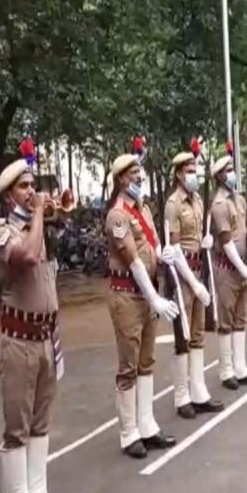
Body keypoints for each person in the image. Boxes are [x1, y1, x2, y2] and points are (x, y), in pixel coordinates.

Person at [0, 156, 70, 493]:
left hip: (46, 338)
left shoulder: (40, 226)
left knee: (41, 421)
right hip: (20, 341)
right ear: (9, 196)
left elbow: (54, 237)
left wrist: (56, 211)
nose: (31, 192)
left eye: (32, 185)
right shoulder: (3, 233)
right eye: (23, 187)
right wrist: (40, 212)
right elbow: (26, 256)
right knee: (17, 426)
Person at [105, 153, 178, 460]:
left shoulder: (143, 208)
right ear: (121, 178)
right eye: (133, 173)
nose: (138, 177)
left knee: (146, 361)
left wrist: (165, 255)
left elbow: (152, 246)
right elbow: (133, 261)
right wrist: (155, 299)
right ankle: (128, 432)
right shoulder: (117, 216)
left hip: (147, 292)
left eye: (139, 172)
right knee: (129, 365)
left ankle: (146, 424)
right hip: (128, 295)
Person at [162, 150, 224, 419]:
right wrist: (193, 283)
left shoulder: (198, 200)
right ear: (178, 174)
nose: (194, 174)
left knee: (198, 334)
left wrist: (207, 244)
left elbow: (200, 235)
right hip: (183, 275)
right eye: (189, 170)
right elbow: (174, 249)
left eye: (195, 169)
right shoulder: (173, 204)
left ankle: (198, 391)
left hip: (200, 269)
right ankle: (181, 396)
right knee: (183, 335)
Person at [209, 154, 247, 389]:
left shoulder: (240, 200)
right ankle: (226, 369)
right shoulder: (219, 204)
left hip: (243, 266)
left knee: (241, 318)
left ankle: (240, 366)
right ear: (219, 176)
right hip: (228, 268)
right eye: (228, 170)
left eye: (233, 168)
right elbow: (227, 241)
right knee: (226, 319)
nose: (232, 173)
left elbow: (244, 233)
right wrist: (242, 268)